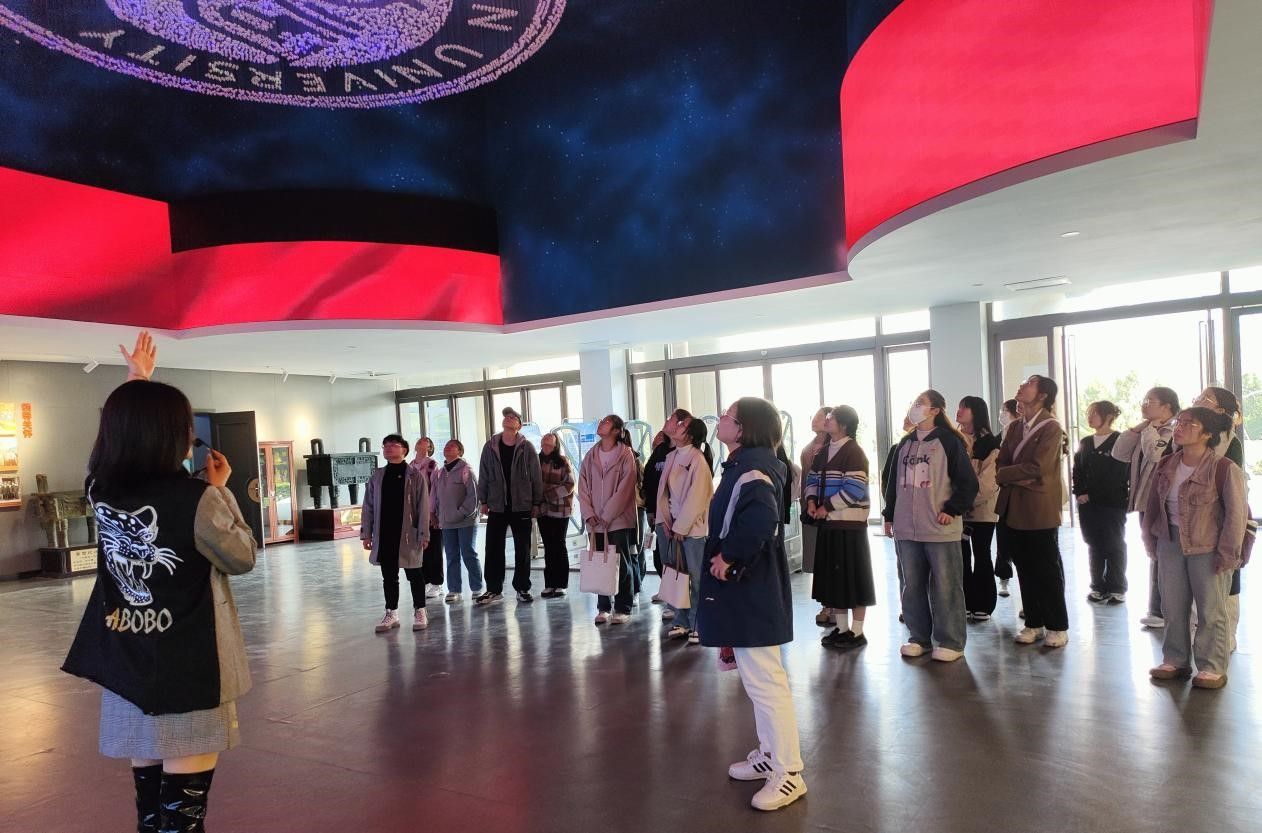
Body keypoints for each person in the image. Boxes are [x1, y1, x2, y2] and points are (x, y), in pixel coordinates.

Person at [62, 331, 257, 833]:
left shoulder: (100, 491)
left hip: (127, 662)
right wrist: (222, 491)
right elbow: (241, 557)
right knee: (183, 815)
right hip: (191, 667)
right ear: (171, 436)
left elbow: (103, 454)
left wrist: (137, 380)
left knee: (150, 810)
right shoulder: (198, 498)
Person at [699, 397, 806, 811]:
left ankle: (789, 772)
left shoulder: (753, 469)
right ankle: (770, 755)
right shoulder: (745, 464)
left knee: (766, 681)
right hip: (748, 587)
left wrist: (730, 557)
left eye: (728, 416)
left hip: (751, 587)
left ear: (743, 429)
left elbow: (761, 520)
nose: (721, 420)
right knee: (758, 680)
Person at [1142, 407, 1247, 689]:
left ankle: (1212, 666)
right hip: (1170, 541)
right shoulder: (1166, 465)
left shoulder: (1224, 468)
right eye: (1180, 422)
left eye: (1190, 424)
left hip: (1208, 545)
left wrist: (1228, 553)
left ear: (1207, 433)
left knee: (1210, 608)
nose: (1180, 427)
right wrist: (1150, 539)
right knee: (1172, 605)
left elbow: (1236, 516)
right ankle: (1175, 659)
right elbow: (1153, 505)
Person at [883, 391, 978, 661]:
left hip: (939, 528)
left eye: (920, 404)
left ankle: (951, 642)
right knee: (911, 585)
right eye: (914, 403)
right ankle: (919, 638)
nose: (915, 407)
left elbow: (968, 483)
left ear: (935, 410)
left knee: (946, 586)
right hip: (906, 528)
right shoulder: (905, 444)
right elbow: (892, 484)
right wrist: (889, 515)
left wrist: (952, 509)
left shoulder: (949, 441)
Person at [996, 375, 1069, 647]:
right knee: (1023, 566)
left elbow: (1039, 468)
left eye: (1029, 383)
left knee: (1046, 568)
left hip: (1039, 508)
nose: (1022, 385)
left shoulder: (1051, 427)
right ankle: (1033, 622)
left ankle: (1057, 626)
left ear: (1042, 395)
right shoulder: (1016, 427)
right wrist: (1014, 475)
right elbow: (1000, 463)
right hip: (1013, 505)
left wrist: (1009, 474)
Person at [805, 405, 875, 650]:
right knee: (835, 579)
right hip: (829, 523)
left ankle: (857, 631)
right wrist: (811, 501)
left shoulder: (854, 451)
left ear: (844, 425)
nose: (827, 419)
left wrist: (825, 507)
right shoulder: (824, 451)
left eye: (832, 417)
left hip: (849, 525)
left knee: (854, 577)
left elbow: (854, 489)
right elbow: (812, 479)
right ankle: (842, 628)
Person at [1112, 386, 1179, 628]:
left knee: (1165, 555)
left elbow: (1155, 455)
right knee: (1154, 554)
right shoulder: (1147, 430)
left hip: (1165, 503)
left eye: (1150, 401)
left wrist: (1149, 430)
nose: (1144, 404)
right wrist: (1137, 429)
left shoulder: (1175, 430)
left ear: (1167, 406)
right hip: (1145, 502)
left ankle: (1164, 610)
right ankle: (1157, 609)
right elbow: (1118, 453)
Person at [1192, 386, 1247, 651]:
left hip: (1224, 518)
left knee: (1227, 576)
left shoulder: (1229, 440)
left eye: (1206, 399)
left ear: (1221, 410)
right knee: (1199, 580)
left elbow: (1227, 485)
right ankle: (1201, 634)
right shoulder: (1190, 435)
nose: (1198, 400)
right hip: (1194, 519)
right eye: (1199, 396)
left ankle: (1227, 636)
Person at [361, 433, 432, 632]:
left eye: (393, 445)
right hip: (384, 533)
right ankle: (391, 612)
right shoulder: (378, 476)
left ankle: (420, 610)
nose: (388, 448)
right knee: (389, 575)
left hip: (409, 533)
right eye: (385, 445)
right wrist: (366, 533)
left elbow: (423, 507)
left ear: (404, 450)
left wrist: (424, 533)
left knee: (414, 573)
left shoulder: (414, 476)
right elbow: (368, 505)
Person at [656, 409, 714, 643]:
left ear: (690, 435)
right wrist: (666, 521)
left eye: (682, 424)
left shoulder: (697, 459)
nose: (677, 425)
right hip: (673, 527)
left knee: (696, 578)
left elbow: (698, 497)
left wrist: (680, 526)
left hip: (692, 530)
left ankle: (698, 622)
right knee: (676, 574)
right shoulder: (672, 456)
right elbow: (664, 493)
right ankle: (681, 620)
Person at [476, 407, 544, 605]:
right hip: (497, 505)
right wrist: (483, 500)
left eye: (513, 417)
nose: (508, 418)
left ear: (519, 425)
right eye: (506, 416)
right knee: (493, 548)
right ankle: (493, 589)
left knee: (522, 549)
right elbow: (484, 474)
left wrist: (536, 502)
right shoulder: (490, 446)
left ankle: (522, 588)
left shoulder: (527, 447)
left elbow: (536, 476)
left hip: (521, 505)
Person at [578, 414, 640, 624]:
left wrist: (607, 515)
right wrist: (589, 514)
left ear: (615, 430)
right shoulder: (591, 455)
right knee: (600, 563)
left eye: (606, 422)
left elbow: (625, 489)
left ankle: (623, 607)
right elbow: (582, 486)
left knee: (620, 563)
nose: (601, 423)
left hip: (618, 520)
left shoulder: (625, 454)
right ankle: (603, 606)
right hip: (595, 522)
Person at [1072, 401, 1130, 604]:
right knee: (1093, 543)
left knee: (1114, 543)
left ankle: (1117, 587)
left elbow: (1118, 474)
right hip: (1087, 504)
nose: (1090, 417)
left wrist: (1093, 494)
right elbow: (1077, 470)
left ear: (1108, 416)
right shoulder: (1086, 442)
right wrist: (1080, 492)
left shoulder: (1119, 440)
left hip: (1112, 503)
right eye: (1089, 413)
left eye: (1095, 413)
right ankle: (1097, 586)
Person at [957, 396, 1001, 620]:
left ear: (976, 412)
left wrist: (964, 502)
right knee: (961, 557)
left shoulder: (990, 443)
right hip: (956, 511)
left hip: (982, 511)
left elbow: (988, 483)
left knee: (982, 555)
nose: (959, 411)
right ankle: (965, 601)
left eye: (964, 408)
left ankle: (984, 603)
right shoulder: (953, 439)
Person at [434, 439, 483, 602]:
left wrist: (460, 513)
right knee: (451, 555)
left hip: (465, 521)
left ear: (460, 451)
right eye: (446, 446)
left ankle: (477, 587)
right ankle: (454, 589)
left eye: (452, 446)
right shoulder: (440, 472)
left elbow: (474, 497)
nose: (447, 447)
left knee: (468, 552)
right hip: (447, 522)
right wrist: (437, 514)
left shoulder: (466, 470)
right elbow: (437, 497)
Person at [799, 406, 831, 623]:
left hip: (828, 508)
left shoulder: (835, 446)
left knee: (830, 557)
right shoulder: (809, 447)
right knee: (817, 559)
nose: (815, 420)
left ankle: (832, 605)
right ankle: (826, 603)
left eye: (819, 417)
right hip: (810, 507)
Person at [538, 432, 576, 597]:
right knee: (548, 546)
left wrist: (548, 494)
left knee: (559, 545)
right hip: (543, 510)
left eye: (549, 444)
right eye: (544, 443)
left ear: (555, 446)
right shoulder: (536, 461)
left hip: (561, 510)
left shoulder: (563, 461)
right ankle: (550, 583)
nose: (545, 446)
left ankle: (561, 584)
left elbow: (570, 484)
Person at [640, 430, 673, 603]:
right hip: (657, 513)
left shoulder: (681, 453)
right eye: (656, 437)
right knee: (660, 555)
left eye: (661, 436)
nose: (657, 439)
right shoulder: (657, 455)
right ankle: (666, 589)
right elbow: (648, 483)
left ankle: (678, 595)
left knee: (675, 557)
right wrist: (650, 510)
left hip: (675, 514)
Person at [411, 437, 445, 599]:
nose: (422, 443)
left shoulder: (432, 465)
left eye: (426, 442)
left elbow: (435, 490)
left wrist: (432, 512)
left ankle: (437, 582)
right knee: (420, 548)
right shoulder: (410, 466)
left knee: (434, 548)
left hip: (430, 512)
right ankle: (424, 581)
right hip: (415, 513)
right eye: (420, 441)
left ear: (430, 448)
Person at [994, 398, 1021, 597]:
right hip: (1002, 496)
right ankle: (1004, 578)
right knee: (1003, 539)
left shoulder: (1023, 435)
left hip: (1021, 496)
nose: (1002, 415)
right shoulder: (998, 438)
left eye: (1005, 411)